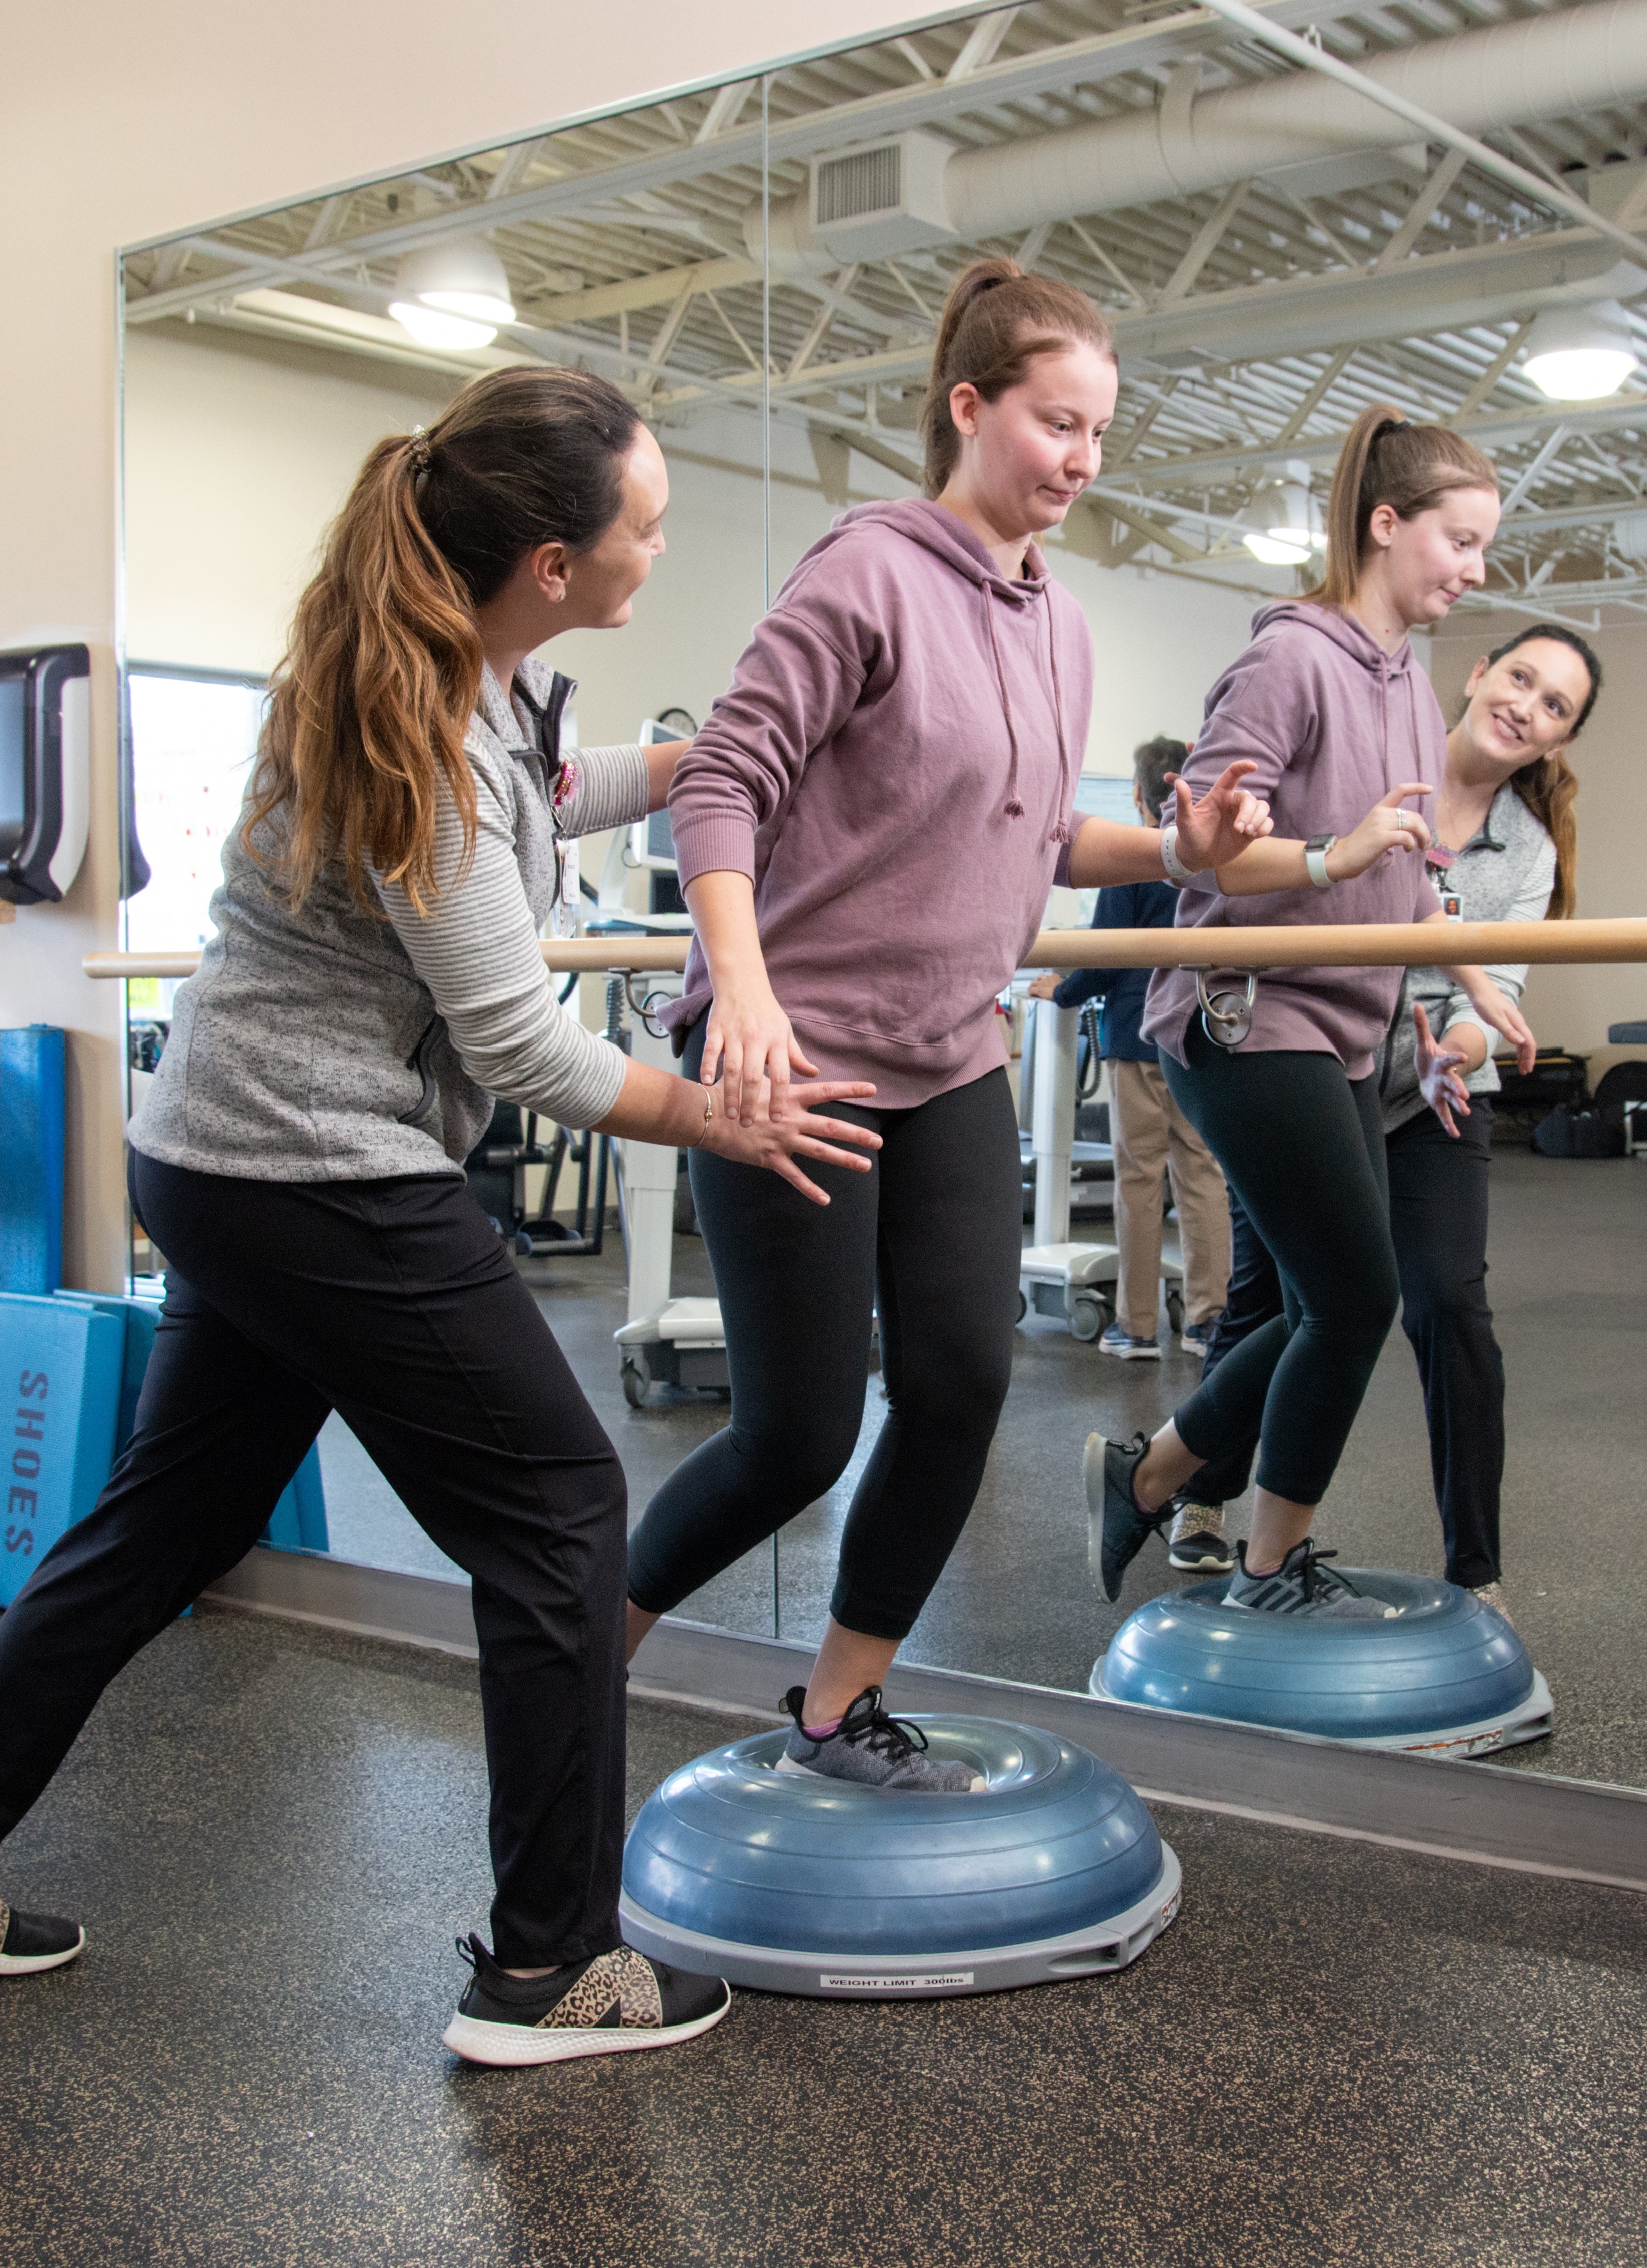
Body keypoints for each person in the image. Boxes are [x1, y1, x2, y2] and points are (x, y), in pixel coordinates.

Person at [0, 369, 884, 2069]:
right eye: (646, 527)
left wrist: (690, 762)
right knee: (559, 1507)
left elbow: (549, 785)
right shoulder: (438, 737)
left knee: (164, 1525)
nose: (656, 551)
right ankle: (549, 1965)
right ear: (545, 558)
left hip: (226, 1158)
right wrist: (713, 1107)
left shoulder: (452, 678)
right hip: (317, 1171)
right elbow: (521, 1043)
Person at [621, 257, 1285, 1790]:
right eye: (1059, 424)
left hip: (951, 1061)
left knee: (962, 1388)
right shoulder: (866, 571)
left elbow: (1044, 833)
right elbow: (720, 787)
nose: (1082, 461)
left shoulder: (1060, 624)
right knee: (794, 1434)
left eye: (1100, 435)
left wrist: (1184, 850)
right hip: (793, 1061)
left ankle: (834, 1705)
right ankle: (584, 1643)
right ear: (968, 407)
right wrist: (749, 999)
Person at [1084, 402, 1541, 1621]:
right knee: (1351, 1299)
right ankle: (1268, 1563)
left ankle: (1152, 1475)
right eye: (1458, 541)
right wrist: (1331, 859)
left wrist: (1474, 992)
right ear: (1384, 525)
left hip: (1346, 1028)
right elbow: (1206, 858)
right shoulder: (1288, 659)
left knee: (1311, 1303)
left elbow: (1410, 862)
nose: (1473, 569)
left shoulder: (1408, 676)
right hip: (1248, 1016)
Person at [1159, 624, 1599, 1612]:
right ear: (1480, 674)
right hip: (1313, 1062)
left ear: (1557, 740)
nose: (1526, 704)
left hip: (1435, 1089)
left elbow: (1500, 991)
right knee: (1269, 1294)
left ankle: (1475, 1568)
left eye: (1554, 705)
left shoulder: (1524, 849)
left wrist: (1462, 1045)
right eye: (1520, 676)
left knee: (1448, 1304)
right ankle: (1199, 1497)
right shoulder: (1382, 754)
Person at [1027, 735, 1231, 1367]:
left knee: (1139, 1181)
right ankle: (1207, 1320)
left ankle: (1136, 1326)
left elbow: (1106, 952)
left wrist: (1061, 990)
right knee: (1201, 1177)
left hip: (1138, 1035)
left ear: (1140, 795)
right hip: (1199, 1034)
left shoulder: (1134, 860)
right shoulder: (1215, 859)